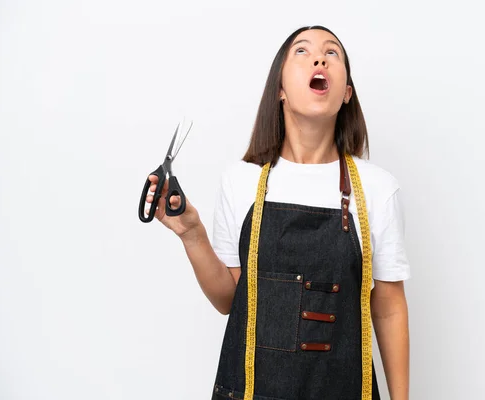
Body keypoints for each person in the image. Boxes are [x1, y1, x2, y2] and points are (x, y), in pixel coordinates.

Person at [145, 25, 410, 400]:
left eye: (332, 53)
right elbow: (229, 300)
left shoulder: (378, 189)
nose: (319, 57)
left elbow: (389, 308)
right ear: (280, 90)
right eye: (302, 51)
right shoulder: (241, 180)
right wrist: (192, 234)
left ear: (347, 92)